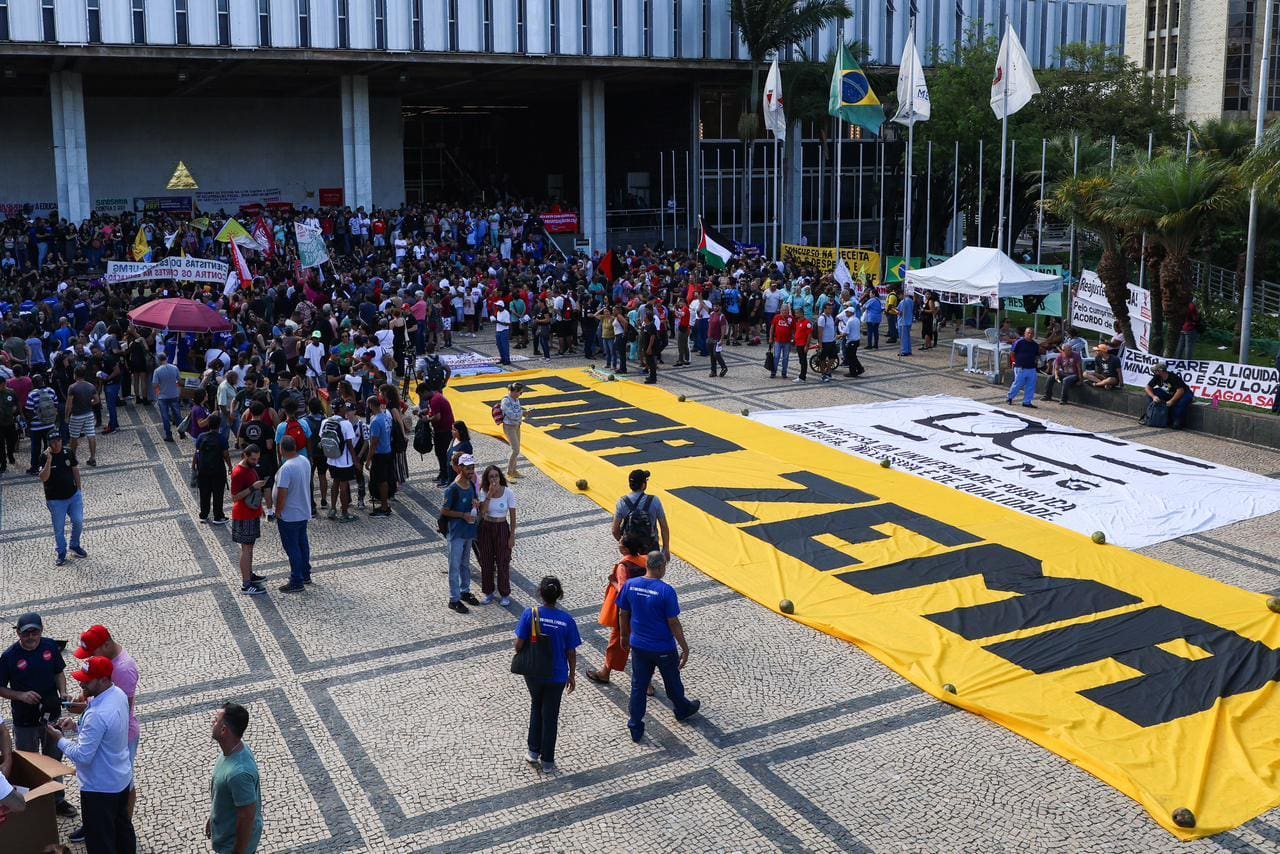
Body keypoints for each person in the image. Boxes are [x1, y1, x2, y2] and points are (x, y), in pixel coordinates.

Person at [48, 655, 134, 853]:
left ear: (103, 679)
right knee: (123, 833)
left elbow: (82, 755)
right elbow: (106, 732)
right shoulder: (118, 694)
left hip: (99, 789)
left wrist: (59, 739)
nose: (81, 682)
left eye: (87, 679)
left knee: (100, 842)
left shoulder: (97, 714)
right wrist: (79, 726)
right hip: (120, 779)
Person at [617, 551, 701, 743]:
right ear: (660, 566)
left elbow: (623, 612)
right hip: (662, 648)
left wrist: (624, 635)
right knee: (672, 682)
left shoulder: (631, 585)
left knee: (638, 686)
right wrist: (685, 647)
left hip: (638, 645)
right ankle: (681, 708)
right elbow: (673, 622)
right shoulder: (665, 591)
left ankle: (635, 725)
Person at [0, 612, 76, 817]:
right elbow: (0, 688)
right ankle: (34, 802)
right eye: (26, 633)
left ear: (41, 631)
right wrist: (20, 695)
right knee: (29, 763)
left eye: (35, 632)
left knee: (54, 759)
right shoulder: (9, 657)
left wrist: (63, 691)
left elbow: (58, 672)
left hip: (51, 714)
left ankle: (58, 801)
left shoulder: (50, 646)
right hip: (25, 721)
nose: (31, 637)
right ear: (18, 633)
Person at [72, 624, 142, 837]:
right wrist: (86, 697)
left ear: (107, 644)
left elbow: (122, 710)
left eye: (92, 652)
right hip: (106, 730)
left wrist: (86, 709)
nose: (90, 657)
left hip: (122, 736)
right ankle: (97, 821)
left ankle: (122, 824)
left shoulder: (124, 669)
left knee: (125, 782)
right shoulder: (107, 664)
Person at [514, 576, 581, 772]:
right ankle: (548, 761)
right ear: (559, 595)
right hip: (557, 674)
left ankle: (533, 751)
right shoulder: (567, 621)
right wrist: (572, 675)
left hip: (534, 673)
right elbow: (571, 651)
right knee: (550, 715)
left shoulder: (530, 614)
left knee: (536, 706)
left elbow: (518, 645)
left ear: (539, 594)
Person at [585, 535, 649, 687]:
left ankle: (605, 673)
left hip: (628, 611)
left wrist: (613, 581)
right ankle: (647, 683)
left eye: (620, 544)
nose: (618, 545)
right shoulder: (645, 560)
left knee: (616, 642)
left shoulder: (623, 566)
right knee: (642, 645)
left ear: (626, 549)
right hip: (644, 608)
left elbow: (624, 590)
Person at [206, 702, 263, 854]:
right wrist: (213, 817)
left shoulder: (239, 774)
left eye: (216, 720)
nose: (213, 722)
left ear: (224, 730)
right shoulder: (233, 750)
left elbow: (247, 817)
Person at [441, 452, 482, 613]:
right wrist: (462, 515)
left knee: (465, 564)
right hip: (457, 532)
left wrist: (475, 504)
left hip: (468, 531)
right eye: (468, 468)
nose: (471, 471)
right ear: (460, 469)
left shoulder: (471, 484)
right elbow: (445, 510)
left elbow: (474, 500)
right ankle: (454, 598)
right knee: (455, 566)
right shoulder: (452, 489)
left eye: (472, 467)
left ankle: (465, 591)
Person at [40, 431, 88, 566]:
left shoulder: (68, 452)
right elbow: (43, 477)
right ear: (49, 443)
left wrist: (79, 489)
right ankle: (61, 551)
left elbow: (75, 469)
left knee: (78, 521)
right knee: (59, 528)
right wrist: (49, 460)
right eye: (53, 441)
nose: (57, 444)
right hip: (55, 500)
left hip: (73, 496)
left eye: (59, 440)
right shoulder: (44, 457)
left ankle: (74, 545)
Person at [274, 435, 313, 592]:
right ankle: (305, 573)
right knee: (302, 543)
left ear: (282, 449)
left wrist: (278, 511)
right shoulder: (304, 461)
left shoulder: (287, 468)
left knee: (292, 547)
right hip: (303, 511)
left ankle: (296, 580)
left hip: (289, 515)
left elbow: (283, 492)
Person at [476, 464, 518, 606]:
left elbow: (512, 516)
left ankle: (504, 593)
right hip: (487, 527)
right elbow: (483, 511)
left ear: (500, 477)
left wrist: (512, 535)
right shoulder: (484, 491)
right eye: (491, 476)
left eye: (496, 476)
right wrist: (489, 495)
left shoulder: (508, 493)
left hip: (501, 527)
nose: (494, 479)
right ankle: (488, 592)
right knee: (486, 560)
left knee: (503, 561)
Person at [231, 445, 269, 595]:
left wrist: (260, 509)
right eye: (253, 459)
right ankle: (246, 584)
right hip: (243, 515)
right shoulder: (239, 473)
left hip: (251, 513)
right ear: (245, 456)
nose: (256, 461)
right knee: (246, 549)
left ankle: (250, 574)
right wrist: (253, 488)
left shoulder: (251, 468)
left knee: (250, 547)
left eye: (257, 458)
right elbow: (234, 497)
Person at [611, 468, 669, 559]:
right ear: (643, 485)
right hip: (651, 547)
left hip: (631, 550)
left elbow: (615, 530)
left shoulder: (622, 502)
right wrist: (666, 548)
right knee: (653, 572)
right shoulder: (654, 500)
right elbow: (664, 526)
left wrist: (624, 543)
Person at [195, 413, 233, 525]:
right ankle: (218, 516)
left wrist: (194, 467)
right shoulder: (221, 438)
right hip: (218, 470)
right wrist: (230, 466)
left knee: (204, 493)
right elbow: (225, 454)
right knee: (218, 494)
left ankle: (204, 515)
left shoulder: (201, 437)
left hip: (203, 470)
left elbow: (197, 452)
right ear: (219, 425)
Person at [364, 396, 395, 517]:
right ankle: (384, 503)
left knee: (382, 481)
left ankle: (384, 507)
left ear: (371, 405)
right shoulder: (385, 417)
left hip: (380, 454)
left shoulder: (376, 421)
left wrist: (368, 460)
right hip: (387, 451)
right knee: (384, 480)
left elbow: (374, 443)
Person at [66, 365, 99, 467]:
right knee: (91, 435)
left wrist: (67, 416)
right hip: (89, 413)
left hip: (76, 415)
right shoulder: (91, 386)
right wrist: (90, 403)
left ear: (75, 375)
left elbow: (69, 404)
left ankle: (73, 458)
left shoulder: (72, 387)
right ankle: (92, 458)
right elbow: (97, 400)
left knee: (74, 437)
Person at [1144, 363, 1193, 429]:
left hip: (1184, 393)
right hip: (1169, 392)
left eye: (1156, 371)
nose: (1154, 372)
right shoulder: (1157, 377)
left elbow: (1180, 391)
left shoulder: (1173, 377)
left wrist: (1171, 401)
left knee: (1182, 403)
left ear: (1161, 371)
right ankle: (1154, 415)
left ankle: (1177, 421)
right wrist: (1153, 397)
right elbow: (1147, 387)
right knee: (1150, 394)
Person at [1005, 327, 1040, 409]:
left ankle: (1027, 402)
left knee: (1031, 385)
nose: (1030, 335)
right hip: (1021, 367)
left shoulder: (1035, 345)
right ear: (1025, 333)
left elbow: (1036, 355)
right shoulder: (1019, 342)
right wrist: (1015, 362)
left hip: (1031, 368)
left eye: (1032, 333)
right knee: (1017, 383)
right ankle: (1010, 397)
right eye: (1028, 333)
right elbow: (1012, 353)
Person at [152, 352, 182, 443]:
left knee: (165, 417)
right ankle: (182, 432)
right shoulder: (174, 368)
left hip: (163, 396)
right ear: (166, 358)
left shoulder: (157, 371)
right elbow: (179, 380)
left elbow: (154, 384)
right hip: (174, 394)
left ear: (158, 360)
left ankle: (169, 435)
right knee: (177, 415)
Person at [498, 381, 525, 480]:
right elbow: (511, 415)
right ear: (513, 391)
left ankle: (514, 470)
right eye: (520, 392)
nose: (520, 395)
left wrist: (522, 413)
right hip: (509, 427)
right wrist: (522, 413)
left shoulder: (516, 399)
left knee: (517, 449)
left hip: (517, 426)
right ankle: (509, 472)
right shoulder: (506, 401)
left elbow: (517, 411)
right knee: (515, 450)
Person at [769, 304, 794, 379]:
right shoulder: (777, 317)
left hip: (787, 341)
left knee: (785, 357)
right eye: (783, 310)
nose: (784, 312)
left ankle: (784, 372)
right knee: (776, 356)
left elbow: (794, 330)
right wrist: (770, 337)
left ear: (788, 311)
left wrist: (793, 338)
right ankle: (773, 371)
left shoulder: (791, 319)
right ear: (780, 311)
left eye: (785, 310)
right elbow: (772, 327)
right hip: (778, 341)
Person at [839, 307, 864, 378]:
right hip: (856, 340)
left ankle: (853, 372)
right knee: (853, 357)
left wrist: (839, 336)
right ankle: (859, 369)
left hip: (851, 341)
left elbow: (846, 332)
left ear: (851, 313)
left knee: (850, 357)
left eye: (847, 312)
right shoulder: (856, 319)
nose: (846, 313)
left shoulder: (850, 321)